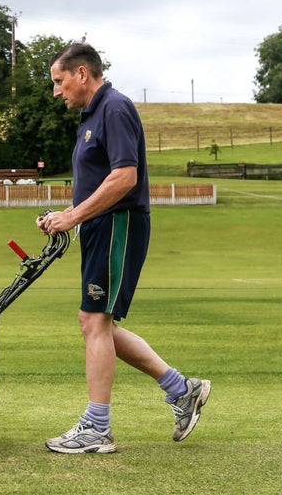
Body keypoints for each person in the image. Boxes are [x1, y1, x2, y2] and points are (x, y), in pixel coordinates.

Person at [37, 43, 210, 454]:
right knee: (98, 323)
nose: (57, 91)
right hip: (101, 226)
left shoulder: (114, 107)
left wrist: (73, 217)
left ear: (82, 74)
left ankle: (97, 428)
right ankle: (182, 389)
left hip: (119, 225)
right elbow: (99, 180)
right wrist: (66, 213)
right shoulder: (91, 116)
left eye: (59, 82)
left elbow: (124, 177)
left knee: (93, 321)